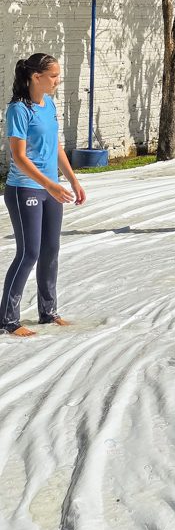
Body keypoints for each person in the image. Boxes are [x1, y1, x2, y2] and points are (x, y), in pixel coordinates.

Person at [1, 54, 86, 337]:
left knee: (50, 251)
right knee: (29, 252)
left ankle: (48, 312)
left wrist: (73, 180)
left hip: (51, 189)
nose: (58, 80)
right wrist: (49, 185)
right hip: (24, 188)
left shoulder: (48, 104)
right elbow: (19, 157)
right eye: (53, 76)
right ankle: (8, 320)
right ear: (36, 77)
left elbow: (56, 146)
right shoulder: (18, 110)